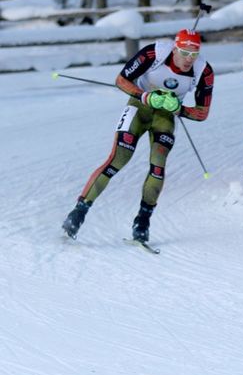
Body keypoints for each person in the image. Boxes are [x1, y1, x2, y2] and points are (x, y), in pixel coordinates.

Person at [62, 29, 215, 243]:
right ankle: (78, 212)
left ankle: (142, 222)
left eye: (194, 53)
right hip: (139, 107)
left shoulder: (204, 71)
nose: (189, 59)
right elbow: (121, 80)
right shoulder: (155, 53)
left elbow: (202, 113)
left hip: (166, 116)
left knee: (158, 166)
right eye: (184, 52)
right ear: (174, 48)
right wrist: (145, 96)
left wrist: (179, 109)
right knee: (118, 158)